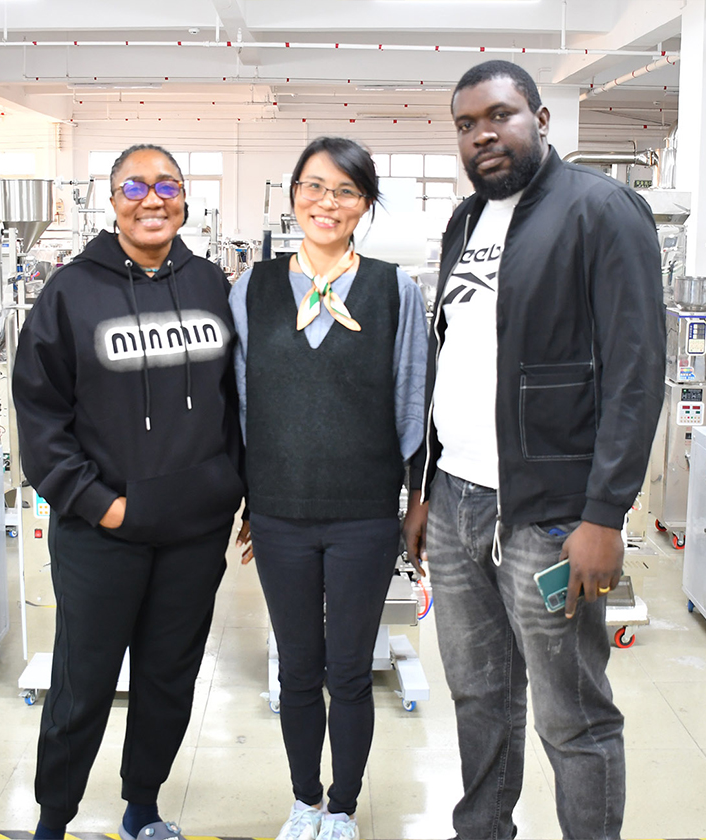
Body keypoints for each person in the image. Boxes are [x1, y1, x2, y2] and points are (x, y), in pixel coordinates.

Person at [403, 61, 665, 840]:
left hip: (550, 516)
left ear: (541, 120)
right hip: (457, 500)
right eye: (466, 125)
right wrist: (425, 490)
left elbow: (636, 371)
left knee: (570, 713)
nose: (483, 135)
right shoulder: (465, 222)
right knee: (478, 695)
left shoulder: (601, 208)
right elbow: (452, 361)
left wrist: (605, 515)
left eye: (500, 115)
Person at [12, 144, 244, 840]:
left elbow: (239, 400)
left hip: (193, 533)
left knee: (168, 680)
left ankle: (143, 806)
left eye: (166, 185)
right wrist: (101, 504)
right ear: (112, 200)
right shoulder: (69, 292)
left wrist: (232, 489)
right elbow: (40, 415)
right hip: (101, 532)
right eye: (135, 187)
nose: (152, 199)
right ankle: (54, 817)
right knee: (82, 683)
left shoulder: (211, 285)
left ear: (185, 199)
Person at [229, 136, 427, 840]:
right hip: (279, 513)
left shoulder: (395, 290)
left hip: (363, 515)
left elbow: (413, 400)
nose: (327, 202)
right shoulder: (250, 289)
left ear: (364, 205)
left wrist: (414, 500)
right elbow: (241, 404)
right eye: (314, 186)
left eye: (345, 191)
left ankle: (342, 807)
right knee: (295, 669)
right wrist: (250, 495)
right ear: (293, 196)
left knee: (348, 671)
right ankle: (303, 800)